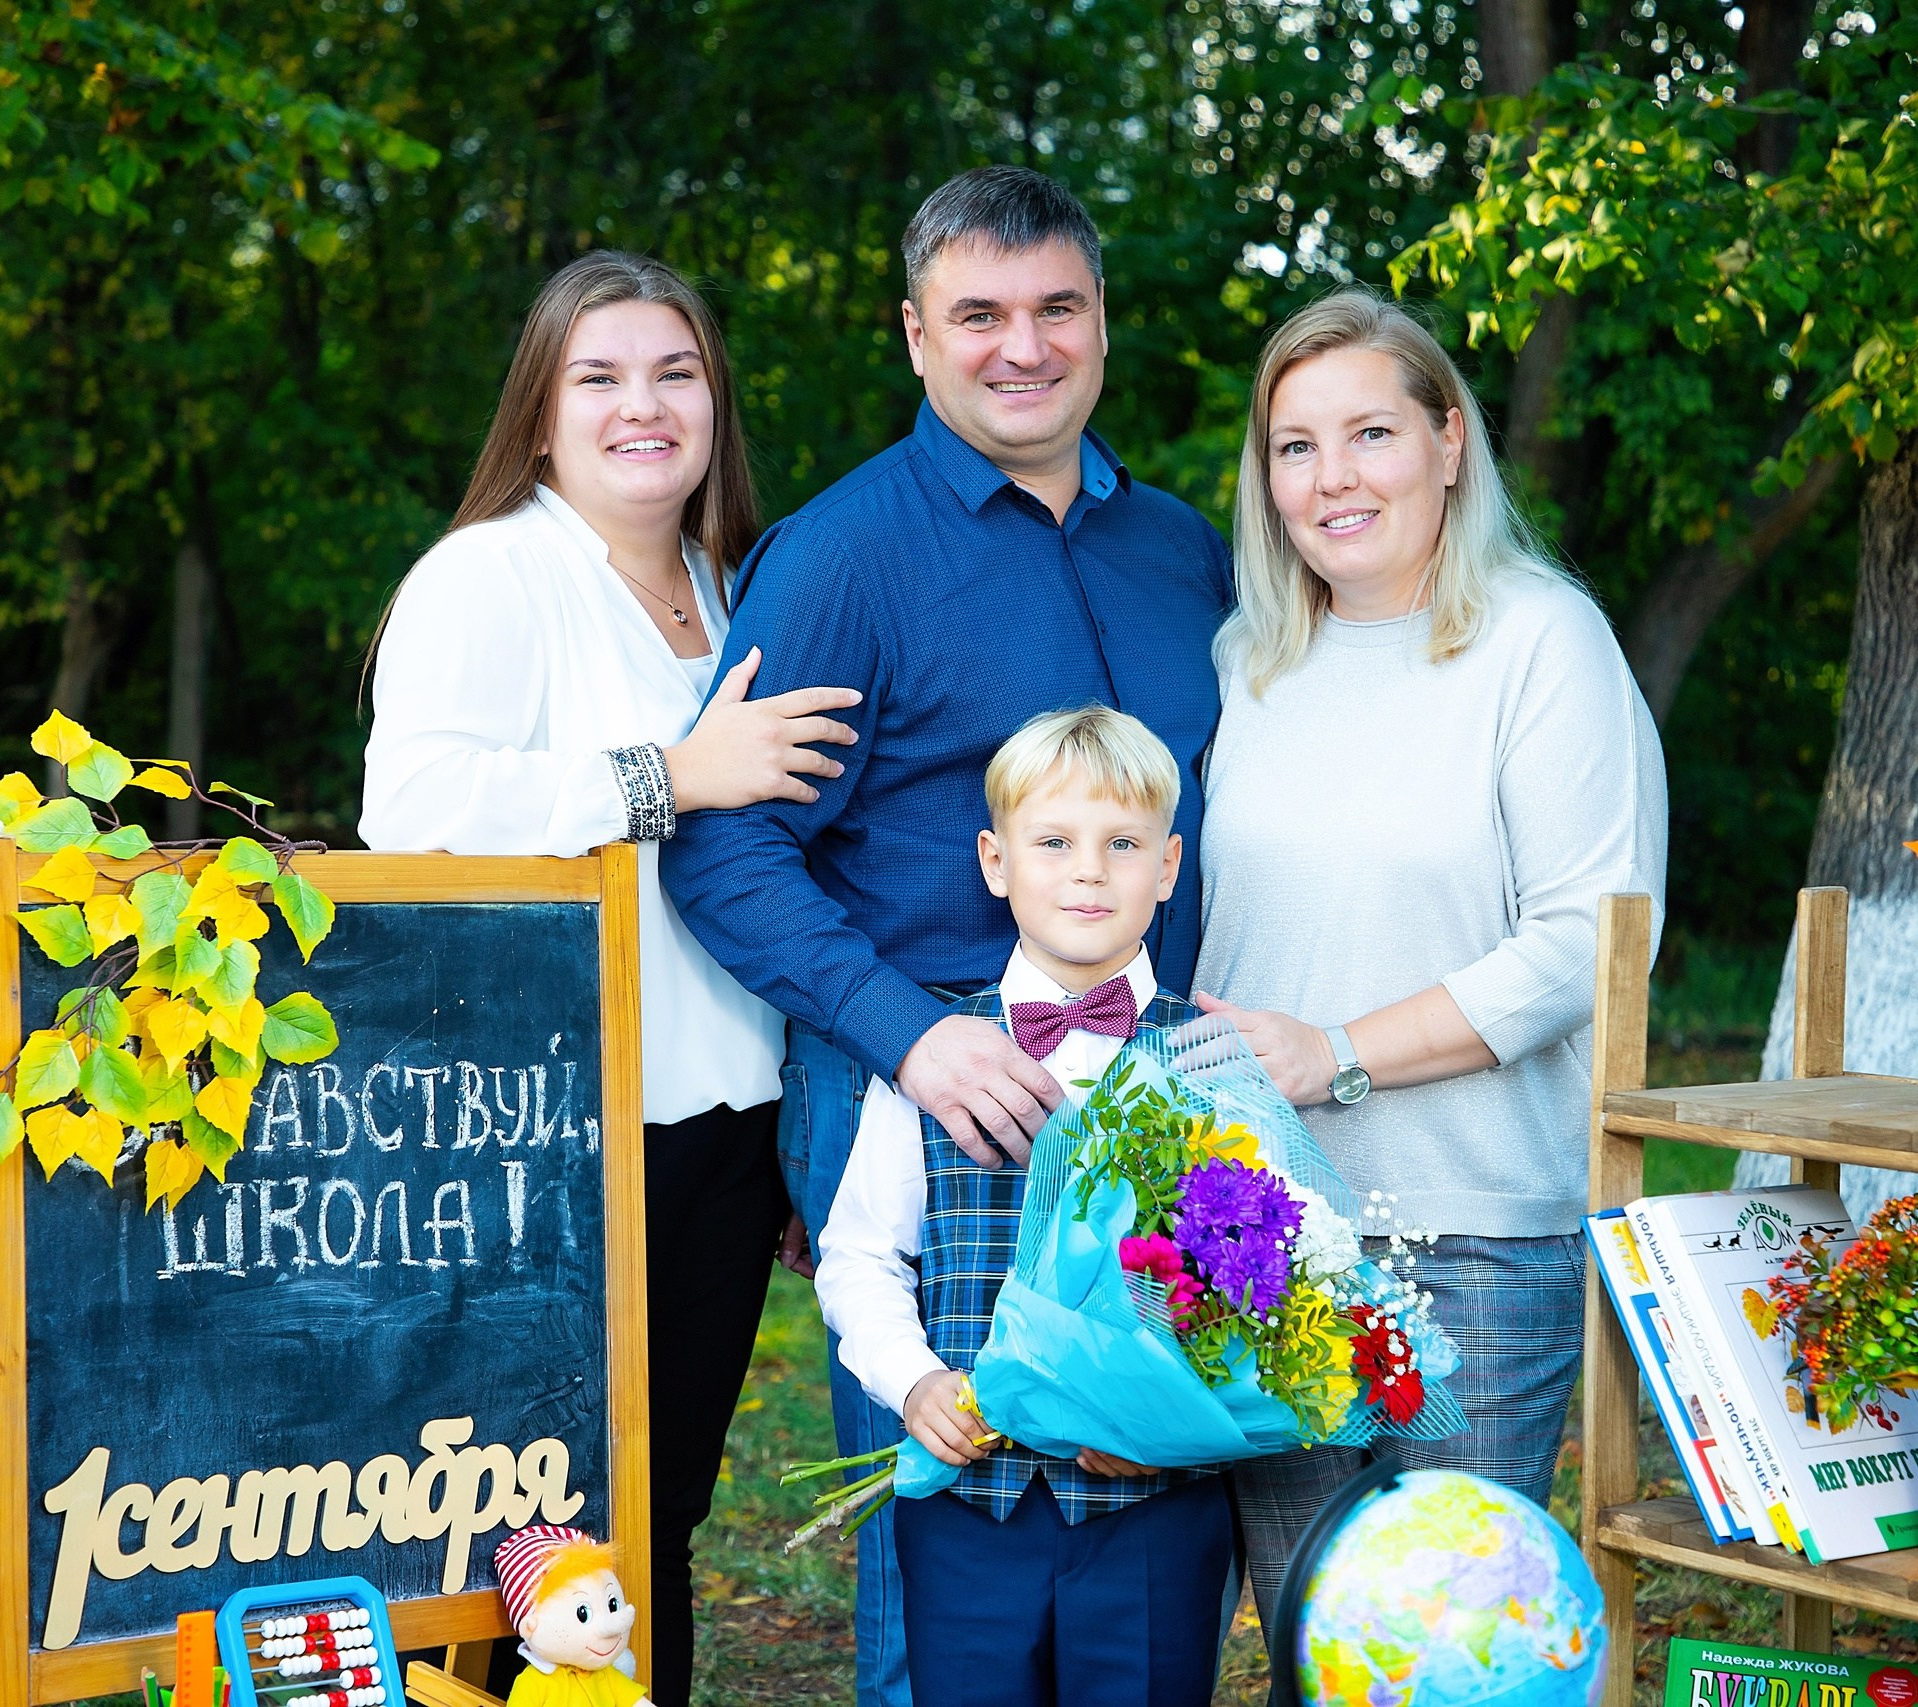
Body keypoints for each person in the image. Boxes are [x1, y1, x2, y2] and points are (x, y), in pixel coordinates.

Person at [659, 167, 1231, 1706]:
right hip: (927, 1095)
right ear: (918, 336)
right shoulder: (844, 555)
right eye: (979, 314)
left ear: (1103, 322)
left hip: (1150, 1087)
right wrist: (908, 1033)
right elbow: (722, 843)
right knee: (955, 1563)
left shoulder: (1183, 551)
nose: (1021, 346)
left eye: (1056, 308)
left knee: (1152, 1517)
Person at [357, 251, 862, 1707]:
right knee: (535, 1534)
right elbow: (413, 807)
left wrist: (789, 1131)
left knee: (659, 1516)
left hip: (717, 1125)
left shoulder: (734, 582)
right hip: (548, 1131)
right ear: (540, 412)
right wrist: (667, 776)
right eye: (602, 376)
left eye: (676, 372)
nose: (643, 405)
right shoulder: (490, 573)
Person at [1188, 287, 1668, 1626]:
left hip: (1473, 1233)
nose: (1332, 476)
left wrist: (1335, 1052)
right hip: (1266, 1235)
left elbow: (1590, 944)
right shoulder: (1247, 661)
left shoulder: (1541, 642)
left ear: (1450, 441)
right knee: (1307, 1626)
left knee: (1459, 1637)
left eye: (1371, 432)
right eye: (1295, 445)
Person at [814, 706, 1233, 1707]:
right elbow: (860, 1257)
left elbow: (1258, 1285)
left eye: (1122, 845)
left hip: (1151, 1507)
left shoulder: (1216, 1060)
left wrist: (1174, 1418)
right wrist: (913, 1383)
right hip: (967, 1506)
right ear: (996, 862)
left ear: (1168, 867)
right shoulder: (933, 1052)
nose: (1088, 872)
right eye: (1054, 843)